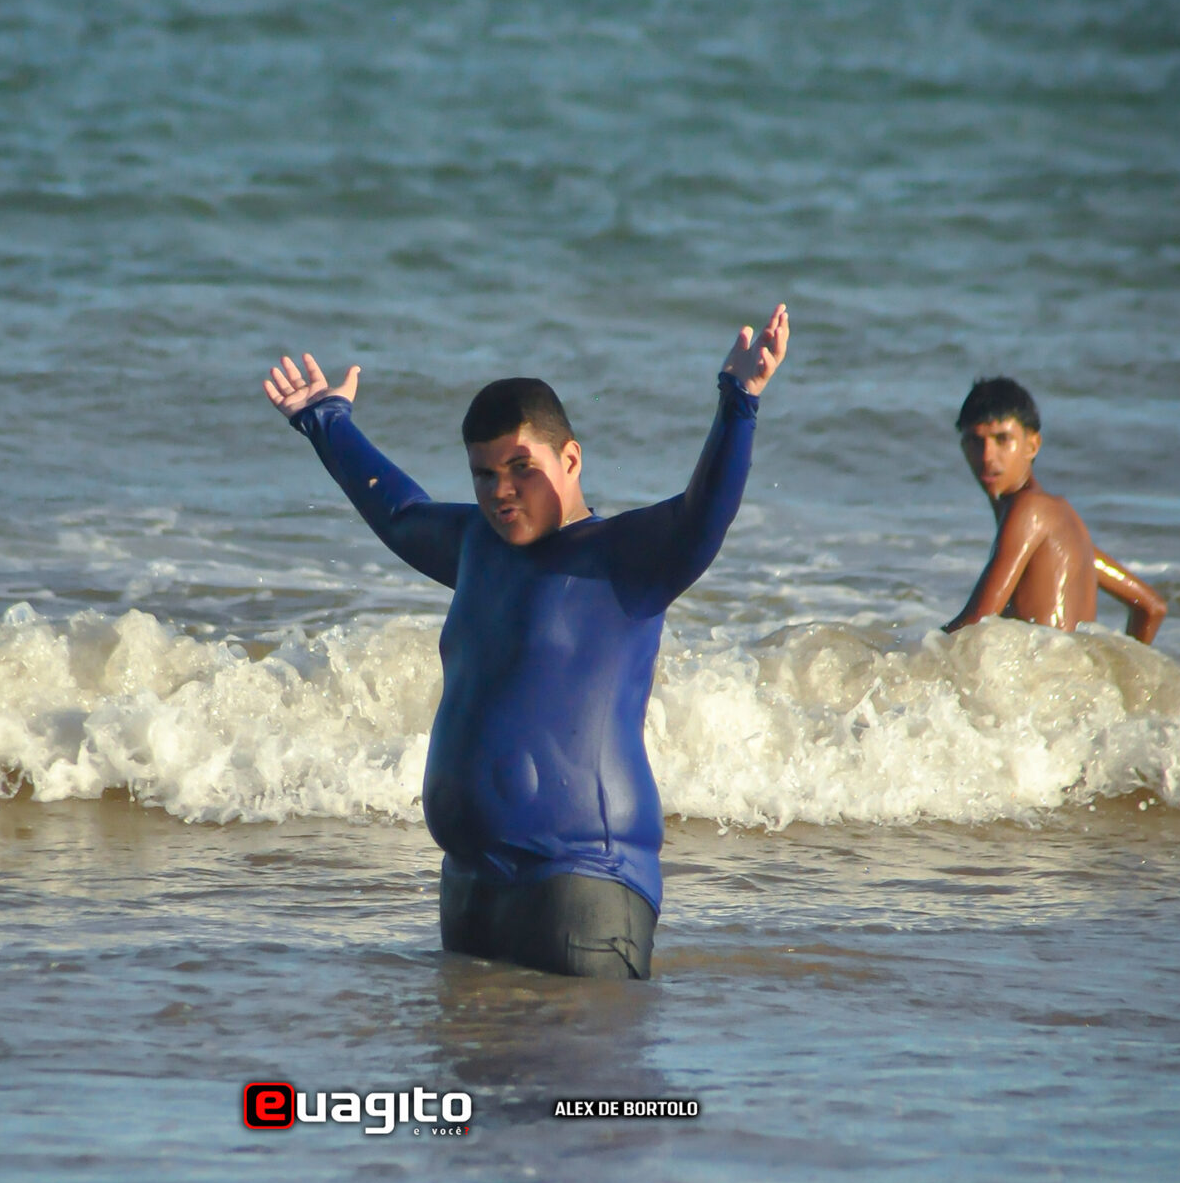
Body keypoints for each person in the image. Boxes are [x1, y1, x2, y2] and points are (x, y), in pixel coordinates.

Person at [263, 308, 790, 980]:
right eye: (484, 474)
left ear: (570, 459)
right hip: (470, 888)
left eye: (521, 467)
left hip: (583, 886)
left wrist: (738, 402)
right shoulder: (476, 547)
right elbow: (398, 512)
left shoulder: (624, 559)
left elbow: (704, 511)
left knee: (571, 1056)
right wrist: (325, 419)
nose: (501, 492)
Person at [945, 376, 1166, 642]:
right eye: (974, 441)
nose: (987, 456)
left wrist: (906, 654)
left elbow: (975, 625)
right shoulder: (1063, 528)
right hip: (1069, 668)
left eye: (1002, 439)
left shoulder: (1030, 510)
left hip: (1043, 669)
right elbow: (1151, 607)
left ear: (1033, 445)